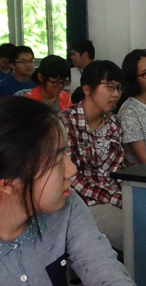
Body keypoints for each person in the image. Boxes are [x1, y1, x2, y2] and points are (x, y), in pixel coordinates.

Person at [0, 96, 135, 286]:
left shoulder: (67, 204)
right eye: (56, 162)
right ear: (7, 184)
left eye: (67, 154)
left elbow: (101, 265)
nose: (72, 170)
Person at [58, 60, 126, 251]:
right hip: (82, 202)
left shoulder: (113, 123)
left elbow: (117, 170)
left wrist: (129, 196)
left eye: (119, 88)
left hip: (112, 194)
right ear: (87, 89)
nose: (116, 94)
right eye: (110, 87)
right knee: (135, 233)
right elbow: (73, 179)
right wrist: (117, 199)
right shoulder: (65, 123)